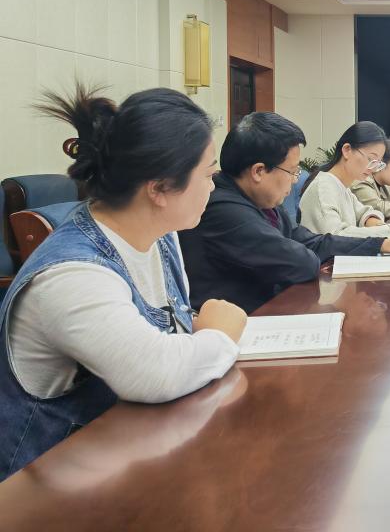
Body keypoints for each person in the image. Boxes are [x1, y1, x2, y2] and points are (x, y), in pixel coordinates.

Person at [0, 84, 246, 479]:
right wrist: (220, 334)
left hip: (126, 458)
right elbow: (155, 373)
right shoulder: (73, 276)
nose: (213, 187)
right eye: (208, 174)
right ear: (159, 188)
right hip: (44, 487)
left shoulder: (161, 236)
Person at [179, 113, 390, 314]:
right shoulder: (224, 211)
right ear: (259, 171)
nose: (294, 180)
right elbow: (301, 262)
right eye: (292, 171)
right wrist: (308, 250)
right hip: (239, 329)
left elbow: (313, 241)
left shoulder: (263, 203)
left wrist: (378, 244)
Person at [300, 122, 390, 253]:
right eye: (371, 159)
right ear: (347, 150)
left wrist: (374, 223)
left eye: (378, 163)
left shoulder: (342, 186)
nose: (373, 168)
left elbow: (364, 212)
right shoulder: (323, 188)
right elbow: (336, 238)